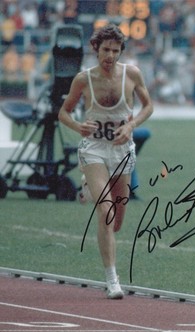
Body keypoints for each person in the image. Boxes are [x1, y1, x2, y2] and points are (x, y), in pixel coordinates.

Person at [58, 24, 153, 299]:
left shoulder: (132, 74)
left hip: (121, 151)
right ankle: (112, 279)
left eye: (114, 50)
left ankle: (88, 186)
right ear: (95, 50)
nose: (109, 55)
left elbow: (148, 106)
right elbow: (63, 113)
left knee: (117, 223)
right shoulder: (83, 79)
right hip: (94, 149)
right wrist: (78, 127)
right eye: (105, 50)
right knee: (106, 212)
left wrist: (131, 124)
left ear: (121, 51)